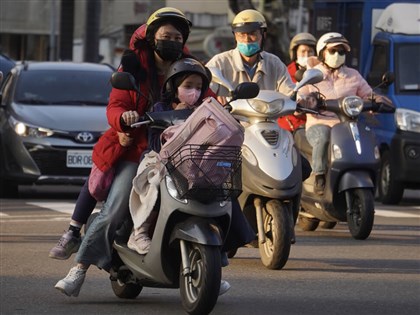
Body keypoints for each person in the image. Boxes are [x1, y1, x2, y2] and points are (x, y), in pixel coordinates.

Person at [54, 7, 205, 297]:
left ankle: (216, 261)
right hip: (136, 151)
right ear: (152, 37)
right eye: (165, 35)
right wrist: (124, 120)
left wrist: (223, 109)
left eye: (177, 36)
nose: (171, 40)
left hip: (178, 151)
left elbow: (207, 95)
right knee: (114, 208)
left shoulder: (190, 66)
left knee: (213, 194)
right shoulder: (132, 67)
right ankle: (79, 269)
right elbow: (115, 106)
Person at [206, 9, 311, 181]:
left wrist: (301, 101)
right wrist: (216, 100)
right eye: (241, 35)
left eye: (253, 34)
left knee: (303, 168)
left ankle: (293, 205)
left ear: (263, 35)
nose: (247, 40)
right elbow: (205, 92)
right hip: (230, 134)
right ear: (235, 37)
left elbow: (290, 93)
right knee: (220, 178)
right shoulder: (219, 62)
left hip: (268, 133)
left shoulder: (274, 63)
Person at [298, 32, 379, 195]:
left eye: (341, 52)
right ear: (322, 53)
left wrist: (378, 101)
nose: (337, 55)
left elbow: (369, 94)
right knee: (323, 136)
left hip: (347, 127)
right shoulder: (312, 74)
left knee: (367, 137)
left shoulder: (353, 75)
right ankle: (319, 175)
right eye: (333, 51)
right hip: (319, 124)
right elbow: (300, 95)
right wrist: (304, 102)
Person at [278, 32, 317, 132]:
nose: (307, 55)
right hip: (290, 122)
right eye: (303, 52)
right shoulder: (285, 72)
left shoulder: (321, 73)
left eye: (310, 52)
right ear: (295, 53)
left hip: (316, 121)